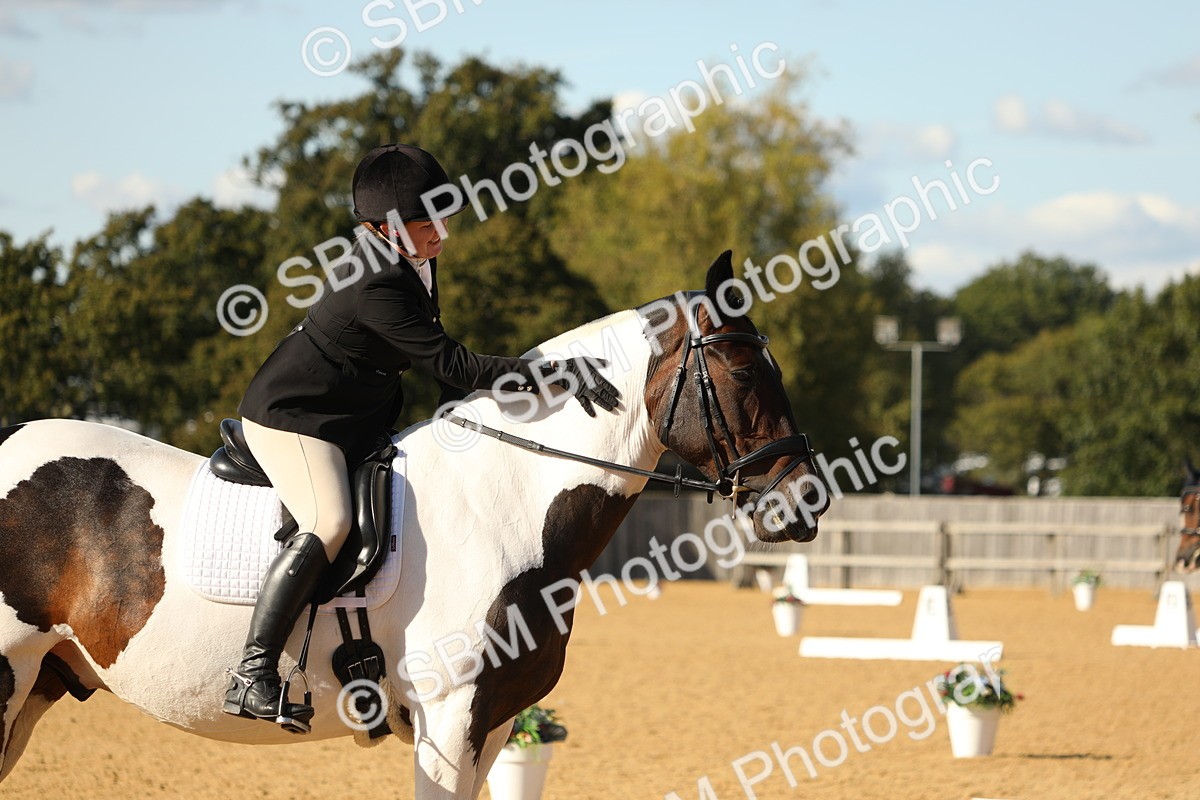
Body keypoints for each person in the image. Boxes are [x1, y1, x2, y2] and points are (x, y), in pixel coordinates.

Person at [223, 143, 620, 731]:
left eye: (443, 218)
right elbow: (453, 364)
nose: (443, 234)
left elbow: (436, 359)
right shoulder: (374, 281)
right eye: (427, 223)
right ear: (383, 229)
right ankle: (253, 672)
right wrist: (551, 376)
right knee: (330, 520)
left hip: (360, 416)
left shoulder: (415, 259)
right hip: (296, 418)